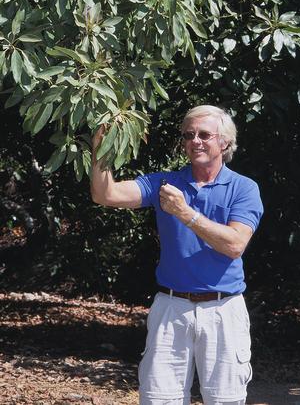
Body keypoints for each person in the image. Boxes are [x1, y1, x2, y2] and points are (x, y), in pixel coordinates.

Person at [91, 105, 263, 405]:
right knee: (158, 399)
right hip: (171, 307)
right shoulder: (165, 183)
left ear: (224, 142)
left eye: (204, 135)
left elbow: (234, 245)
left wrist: (185, 213)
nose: (195, 141)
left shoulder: (243, 188)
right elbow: (106, 195)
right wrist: (101, 145)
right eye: (188, 135)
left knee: (225, 400)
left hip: (223, 310)